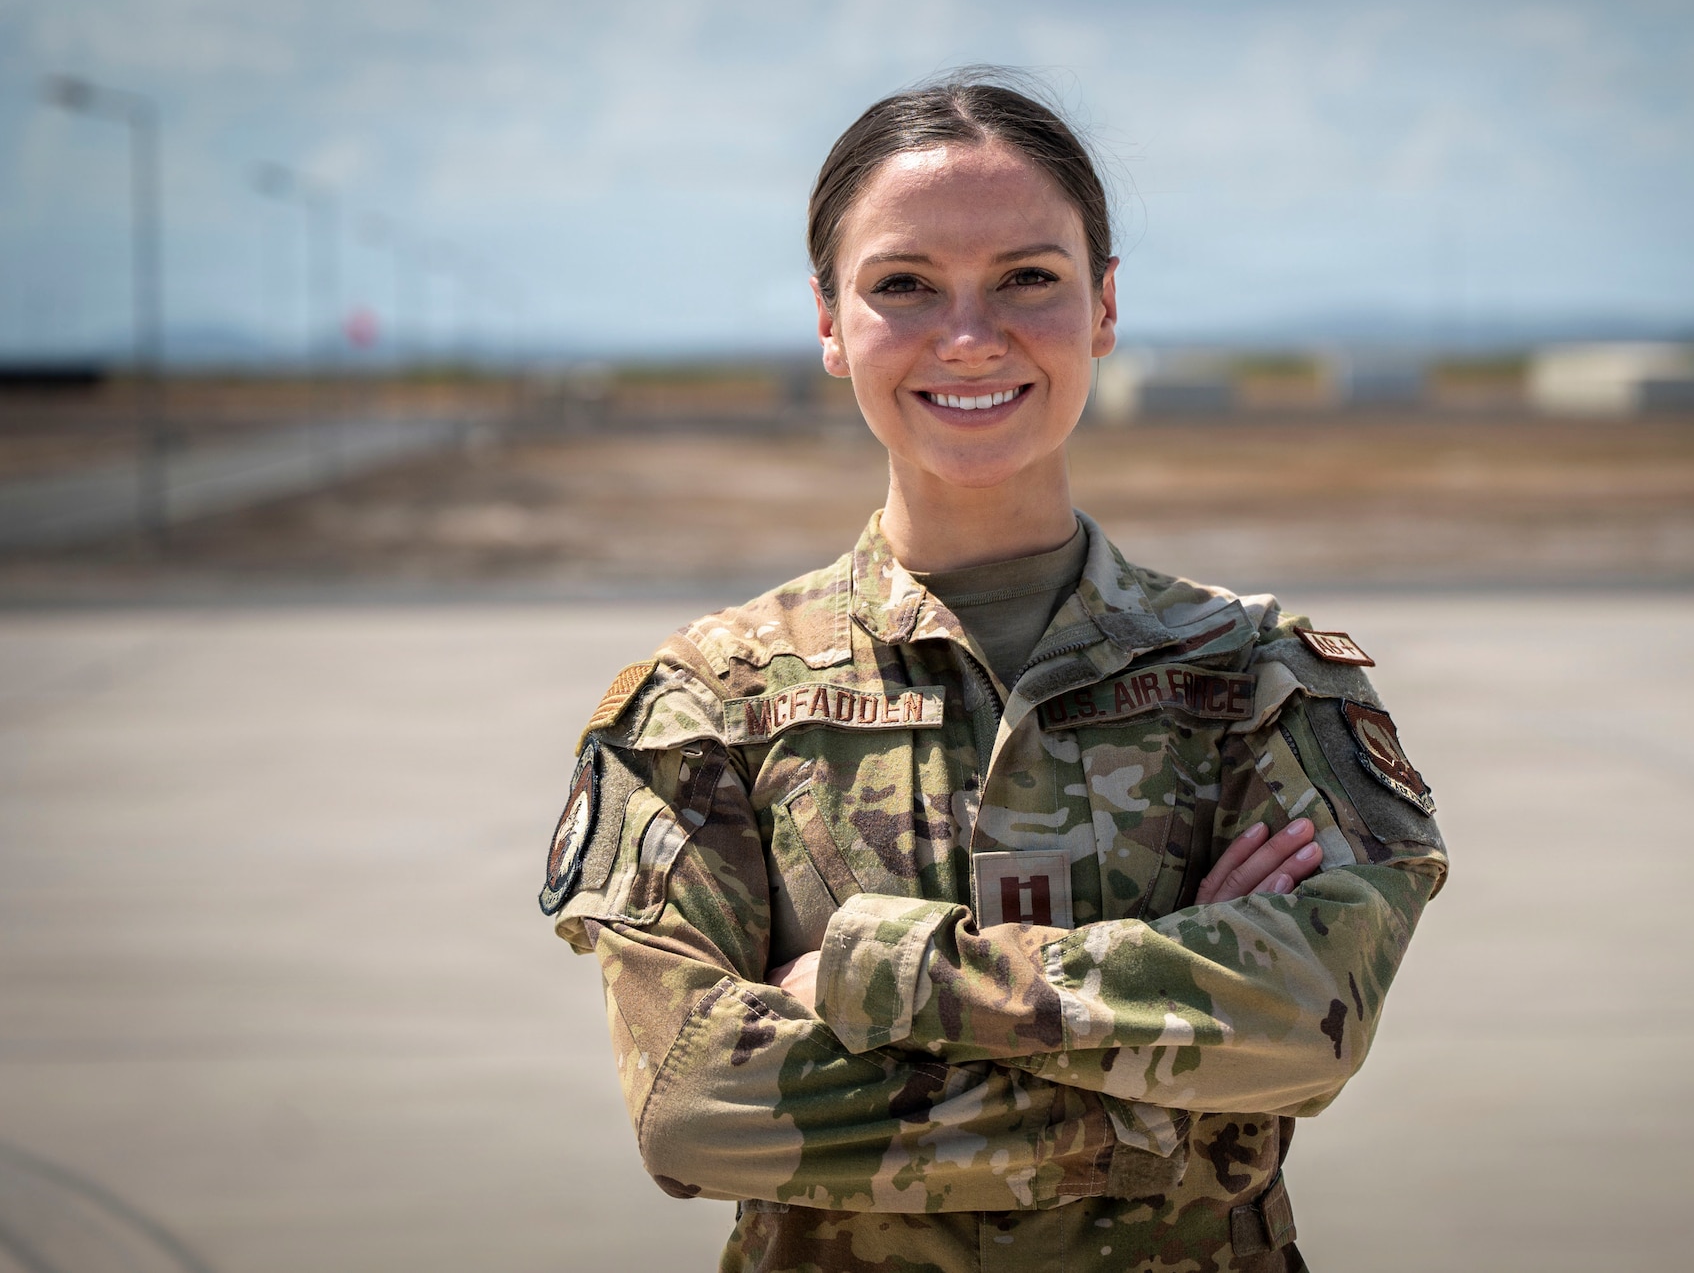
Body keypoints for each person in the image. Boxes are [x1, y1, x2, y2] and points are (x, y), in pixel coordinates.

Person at [540, 70, 1448, 1273]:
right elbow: (698, 1105)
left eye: (1027, 277)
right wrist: (1169, 1098)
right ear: (828, 322)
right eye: (903, 285)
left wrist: (880, 976)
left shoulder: (1258, 682)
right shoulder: (713, 704)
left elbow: (1305, 1025)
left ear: (1103, 305)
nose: (969, 337)